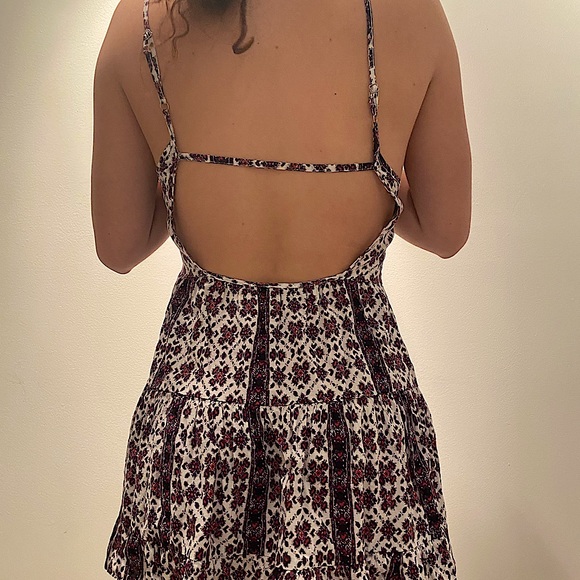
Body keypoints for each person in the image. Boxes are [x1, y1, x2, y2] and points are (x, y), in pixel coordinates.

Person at [92, 0, 471, 577]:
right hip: (358, 433)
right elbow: (446, 230)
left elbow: (119, 246)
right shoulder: (411, 14)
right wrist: (371, 174)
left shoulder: (141, 21)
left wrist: (193, 172)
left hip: (200, 429)